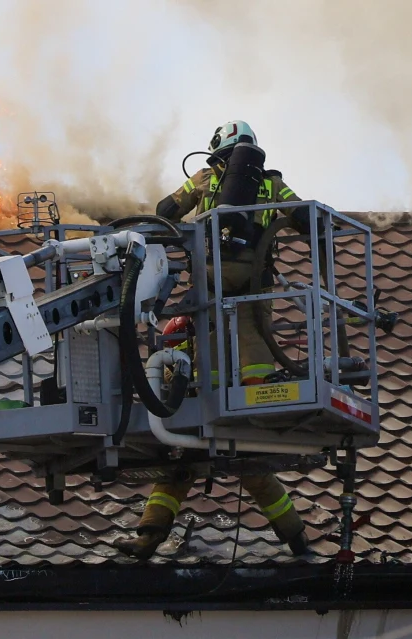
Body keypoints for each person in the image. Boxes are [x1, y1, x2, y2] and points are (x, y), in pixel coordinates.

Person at [112, 120, 310, 560]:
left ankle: (147, 539)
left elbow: (166, 208)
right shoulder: (271, 183)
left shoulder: (206, 178)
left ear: (217, 149)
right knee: (254, 344)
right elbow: (304, 217)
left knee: (182, 451)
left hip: (212, 277)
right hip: (254, 279)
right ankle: (297, 538)